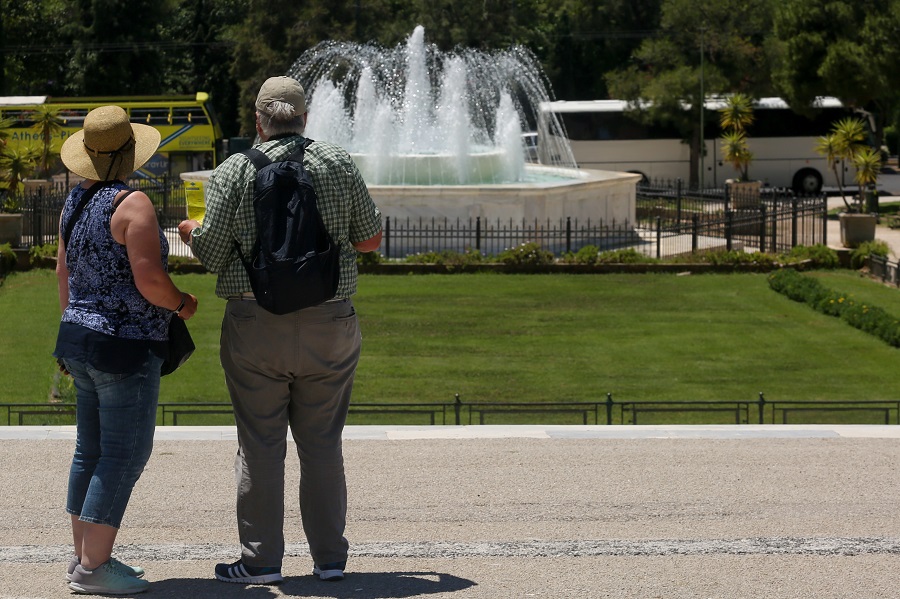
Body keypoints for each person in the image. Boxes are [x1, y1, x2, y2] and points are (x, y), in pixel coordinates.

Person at [177, 75, 382, 585]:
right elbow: (371, 240)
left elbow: (214, 253)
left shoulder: (231, 172)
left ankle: (261, 560)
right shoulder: (337, 163)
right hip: (330, 322)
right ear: (306, 117)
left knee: (261, 445)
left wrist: (188, 233)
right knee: (322, 444)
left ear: (258, 120)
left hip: (255, 322)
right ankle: (330, 559)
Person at [55, 105, 199, 595]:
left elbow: (63, 276)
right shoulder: (133, 204)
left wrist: (72, 323)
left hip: (77, 337)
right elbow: (151, 280)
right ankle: (94, 567)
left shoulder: (74, 200)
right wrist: (182, 304)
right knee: (124, 453)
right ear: (132, 153)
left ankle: (83, 557)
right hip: (125, 345)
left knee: (88, 450)